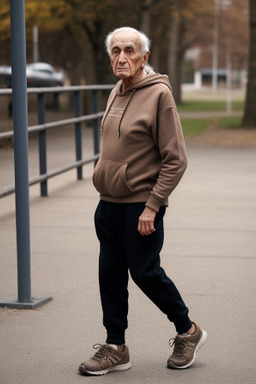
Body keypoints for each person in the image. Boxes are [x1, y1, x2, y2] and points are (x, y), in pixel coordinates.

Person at [79, 26, 207, 376]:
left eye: (130, 51)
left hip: (140, 207)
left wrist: (153, 204)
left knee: (146, 273)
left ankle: (188, 330)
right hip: (108, 205)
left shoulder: (159, 96)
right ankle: (115, 347)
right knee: (111, 275)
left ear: (144, 57)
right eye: (116, 51)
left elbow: (176, 159)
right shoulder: (115, 91)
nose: (122, 57)